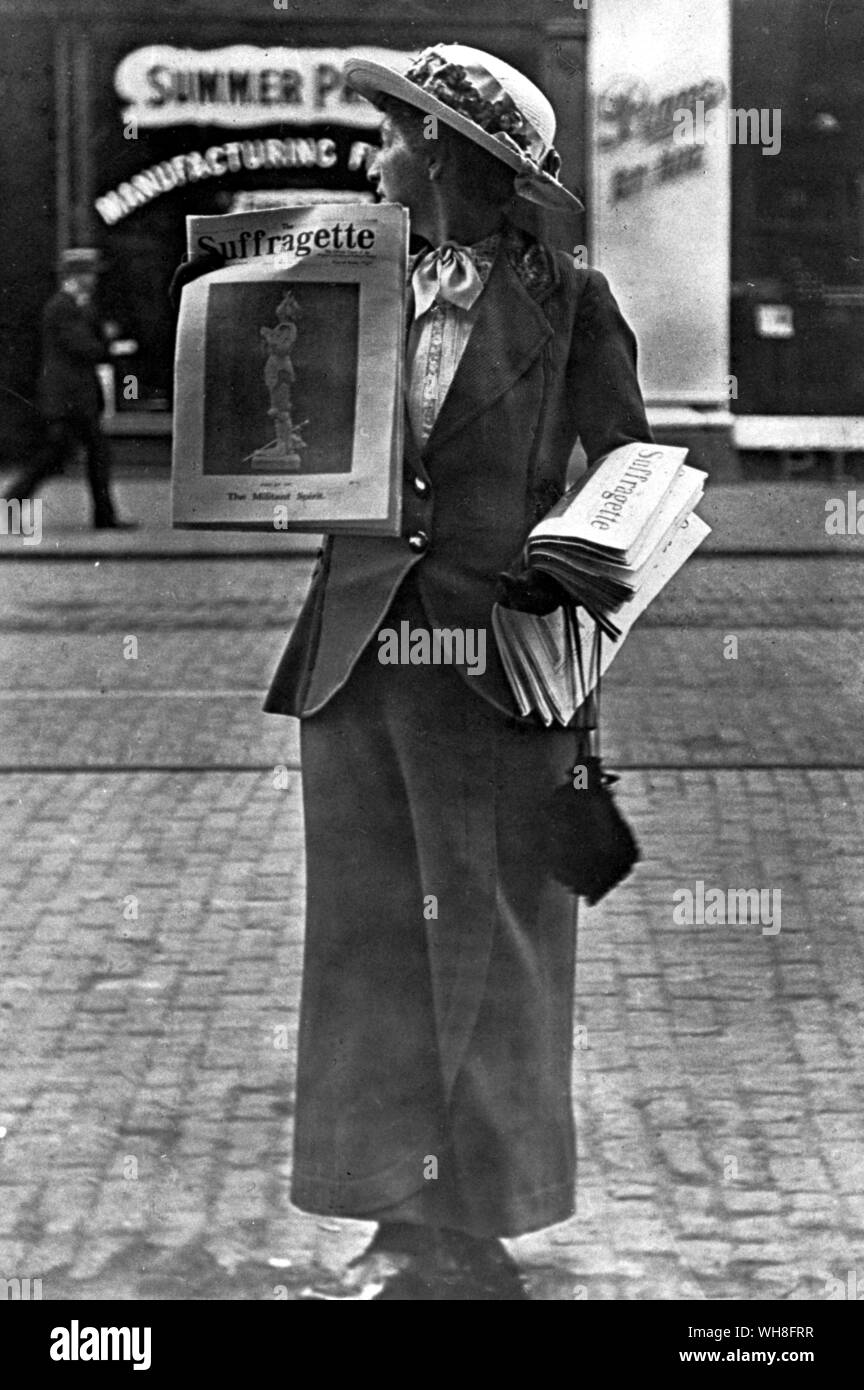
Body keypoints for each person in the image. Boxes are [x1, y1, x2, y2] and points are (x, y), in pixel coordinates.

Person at [175, 43, 651, 1300]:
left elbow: (637, 470)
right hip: (355, 655)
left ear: (442, 149)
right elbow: (264, 423)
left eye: (391, 133)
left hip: (500, 666)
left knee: (495, 945)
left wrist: (577, 563)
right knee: (367, 944)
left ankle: (480, 1227)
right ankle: (392, 1218)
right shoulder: (336, 278)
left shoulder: (570, 298)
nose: (376, 153)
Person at [7, 248, 135, 529]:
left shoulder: (76, 306)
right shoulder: (62, 307)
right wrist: (111, 347)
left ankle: (103, 517)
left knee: (73, 455)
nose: (94, 279)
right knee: (71, 456)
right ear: (75, 276)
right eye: (89, 274)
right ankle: (11, 502)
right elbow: (83, 347)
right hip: (69, 398)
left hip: (74, 398)